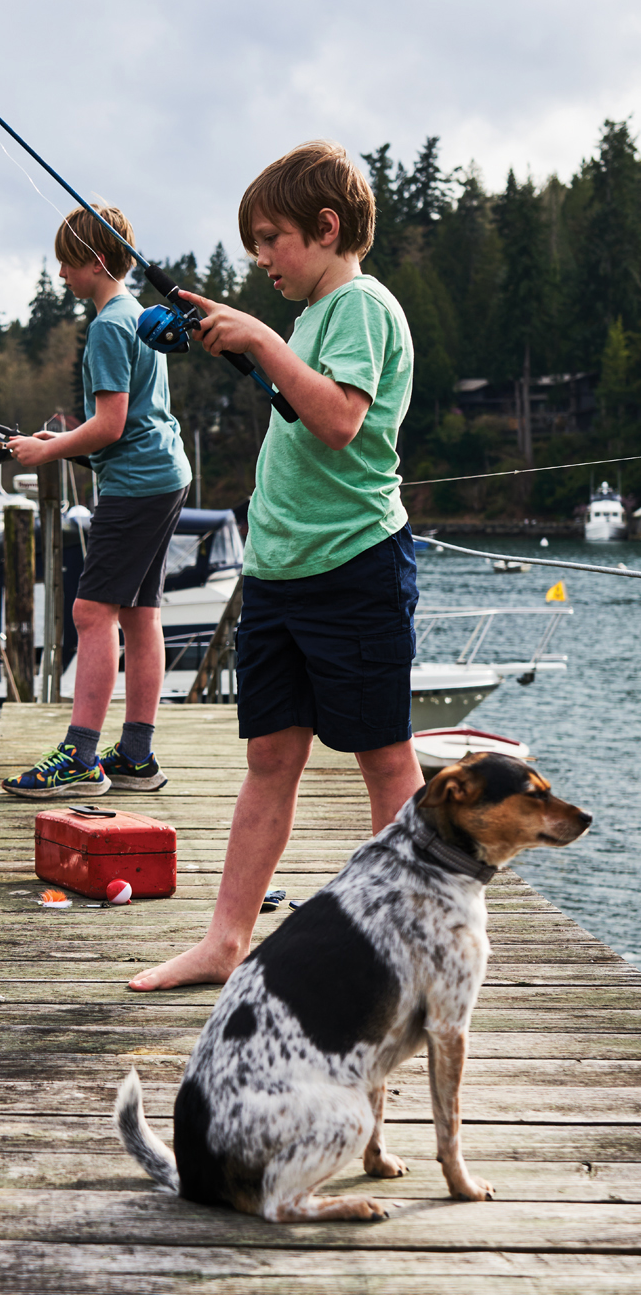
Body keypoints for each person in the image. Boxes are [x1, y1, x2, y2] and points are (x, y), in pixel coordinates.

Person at [130, 139, 422, 990]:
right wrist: (243, 341)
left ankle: (406, 944)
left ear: (325, 229)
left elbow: (336, 420)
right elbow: (296, 402)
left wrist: (257, 336)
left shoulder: (363, 306)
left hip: (355, 565)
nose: (261, 259)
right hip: (282, 573)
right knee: (268, 760)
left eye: (271, 239)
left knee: (384, 756)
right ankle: (225, 943)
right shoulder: (309, 322)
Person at [1, 203, 192, 799]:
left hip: (136, 484)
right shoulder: (137, 316)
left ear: (97, 262)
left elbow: (109, 427)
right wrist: (61, 439)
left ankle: (83, 756)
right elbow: (126, 420)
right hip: (164, 474)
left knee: (91, 614)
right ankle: (135, 755)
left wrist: (47, 454)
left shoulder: (110, 325)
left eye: (67, 264)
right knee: (140, 615)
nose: (61, 276)